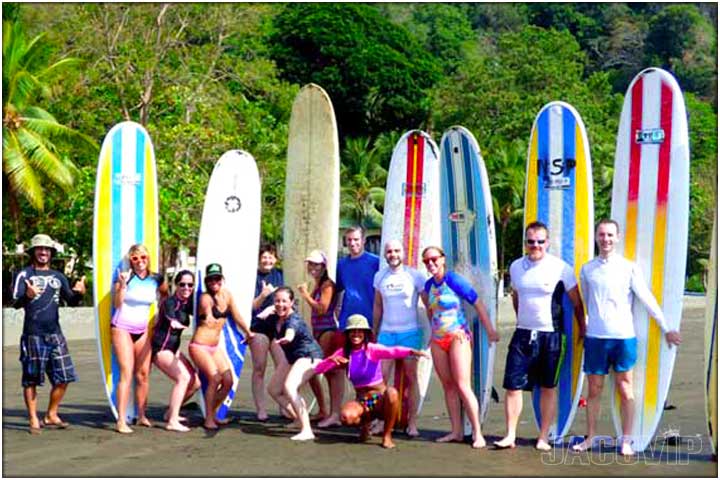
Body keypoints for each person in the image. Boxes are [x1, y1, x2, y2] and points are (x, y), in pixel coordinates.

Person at [572, 219, 682, 456]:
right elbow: (588, 302)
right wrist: (585, 328)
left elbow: (647, 299)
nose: (606, 239)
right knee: (594, 390)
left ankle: (626, 440)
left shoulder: (628, 267)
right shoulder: (587, 269)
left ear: (617, 237)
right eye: (601, 235)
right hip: (596, 339)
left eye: (610, 235)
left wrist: (666, 328)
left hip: (623, 337)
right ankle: (590, 437)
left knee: (625, 388)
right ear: (595, 237)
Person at [494, 221, 585, 451]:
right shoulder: (516, 266)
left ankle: (543, 436)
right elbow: (516, 297)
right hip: (523, 334)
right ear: (526, 242)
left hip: (551, 337)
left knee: (547, 386)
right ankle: (510, 435)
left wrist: (583, 329)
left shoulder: (561, 268)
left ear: (548, 243)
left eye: (540, 242)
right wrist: (522, 321)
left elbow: (576, 302)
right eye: (531, 241)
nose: (535, 245)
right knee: (512, 386)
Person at [422, 245, 499, 449]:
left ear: (443, 259)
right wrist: (431, 334)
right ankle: (456, 431)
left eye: (434, 259)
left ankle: (478, 433)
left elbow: (478, 303)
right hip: (438, 340)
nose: (431, 263)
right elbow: (431, 312)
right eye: (427, 261)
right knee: (448, 386)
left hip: (458, 336)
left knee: (462, 385)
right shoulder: (427, 286)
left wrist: (490, 330)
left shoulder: (454, 280)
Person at [315, 314, 429, 449]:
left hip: (379, 400)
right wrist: (330, 361)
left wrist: (411, 351)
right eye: (352, 331)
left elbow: (392, 351)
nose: (356, 334)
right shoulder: (343, 352)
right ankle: (365, 425)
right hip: (363, 401)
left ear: (365, 333)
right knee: (346, 416)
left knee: (392, 393)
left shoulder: (372, 349)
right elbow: (318, 369)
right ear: (348, 334)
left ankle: (387, 435)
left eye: (359, 331)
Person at [11, 233, 86, 434]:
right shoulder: (24, 275)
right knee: (31, 379)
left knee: (64, 377)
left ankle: (51, 414)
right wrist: (27, 296)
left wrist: (79, 293)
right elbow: (14, 302)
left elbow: (70, 300)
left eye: (47, 249)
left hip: (56, 335)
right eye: (39, 249)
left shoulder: (58, 277)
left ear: (51, 253)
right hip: (33, 335)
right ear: (33, 252)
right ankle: (33, 418)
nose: (43, 252)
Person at [372, 239, 428, 437]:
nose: (393, 255)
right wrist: (374, 330)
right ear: (385, 254)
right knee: (380, 380)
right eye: (389, 252)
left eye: (396, 251)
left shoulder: (415, 276)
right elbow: (378, 306)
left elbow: (428, 306)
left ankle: (412, 423)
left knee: (412, 379)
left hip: (410, 333)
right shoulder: (380, 277)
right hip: (386, 334)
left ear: (402, 253)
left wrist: (432, 331)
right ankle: (381, 420)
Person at [189, 263, 254, 430]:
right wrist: (209, 315)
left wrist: (248, 332)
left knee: (228, 380)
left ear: (222, 279)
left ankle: (212, 412)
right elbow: (206, 308)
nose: (214, 282)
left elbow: (237, 315)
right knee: (215, 378)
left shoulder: (227, 295)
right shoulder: (206, 297)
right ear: (206, 281)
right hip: (199, 346)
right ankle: (209, 418)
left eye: (217, 278)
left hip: (214, 347)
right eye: (210, 279)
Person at [112, 243, 167, 433]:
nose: (140, 261)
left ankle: (142, 415)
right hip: (121, 327)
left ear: (148, 258)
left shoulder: (156, 279)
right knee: (126, 372)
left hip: (143, 328)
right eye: (135, 258)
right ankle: (121, 420)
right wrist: (123, 285)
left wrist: (161, 316)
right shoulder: (125, 276)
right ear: (131, 260)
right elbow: (117, 304)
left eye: (143, 257)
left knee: (143, 374)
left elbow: (165, 296)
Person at [266, 286, 325, 441]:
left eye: (284, 301)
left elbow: (291, 331)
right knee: (273, 389)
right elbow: (258, 324)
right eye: (277, 301)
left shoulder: (294, 319)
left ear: (291, 302)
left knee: (289, 387)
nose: (280, 304)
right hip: (292, 357)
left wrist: (288, 338)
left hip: (309, 355)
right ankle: (298, 418)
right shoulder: (275, 317)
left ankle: (307, 430)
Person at [150, 269, 200, 432]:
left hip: (174, 349)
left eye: (190, 285)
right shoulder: (170, 302)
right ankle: (172, 421)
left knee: (196, 382)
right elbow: (170, 314)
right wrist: (173, 322)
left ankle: (171, 412)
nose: (186, 288)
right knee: (183, 378)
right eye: (182, 284)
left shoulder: (188, 302)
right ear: (176, 285)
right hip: (161, 348)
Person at [297, 249, 340, 427]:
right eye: (310, 264)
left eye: (316, 264)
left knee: (327, 371)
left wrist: (305, 294)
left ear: (323, 266)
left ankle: (331, 412)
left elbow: (322, 309)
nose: (312, 267)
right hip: (318, 331)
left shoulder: (327, 285)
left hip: (327, 330)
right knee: (315, 370)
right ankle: (323, 409)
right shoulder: (318, 284)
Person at [249, 243, 286, 421]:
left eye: (270, 256)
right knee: (259, 368)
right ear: (258, 259)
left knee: (283, 366)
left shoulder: (280, 275)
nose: (267, 260)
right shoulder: (251, 276)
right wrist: (263, 295)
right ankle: (261, 409)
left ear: (275, 259)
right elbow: (250, 307)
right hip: (258, 327)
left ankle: (284, 406)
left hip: (278, 327)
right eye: (264, 256)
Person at [336, 226, 380, 331]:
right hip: (347, 320)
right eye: (349, 240)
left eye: (356, 239)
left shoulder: (376, 263)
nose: (352, 243)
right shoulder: (341, 265)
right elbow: (337, 290)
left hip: (369, 319)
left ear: (363, 240)